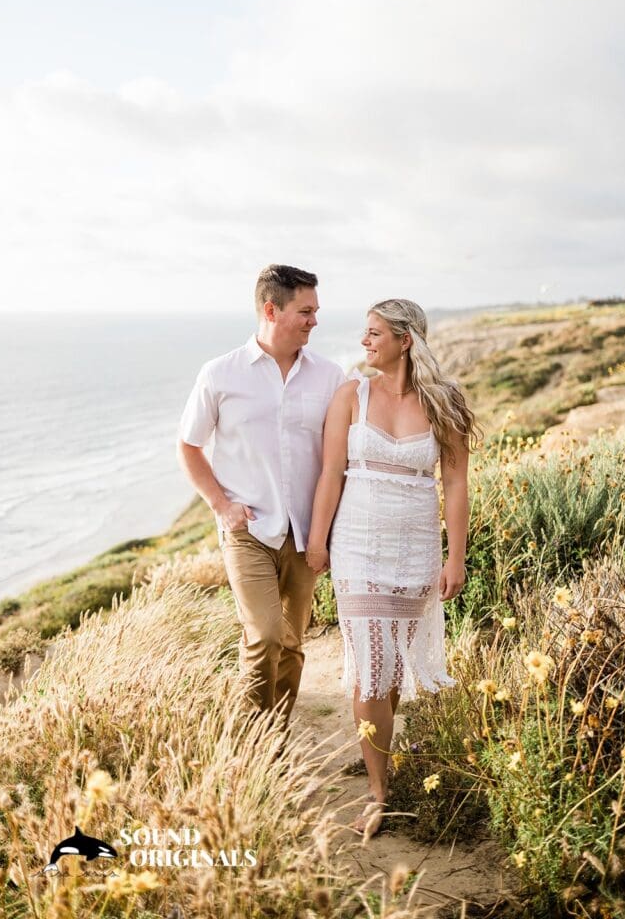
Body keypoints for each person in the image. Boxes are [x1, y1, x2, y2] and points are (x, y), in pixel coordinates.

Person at [306, 299, 481, 836]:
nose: (364, 342)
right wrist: (317, 541)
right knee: (371, 663)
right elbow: (331, 472)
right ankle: (379, 792)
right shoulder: (350, 395)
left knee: (392, 670)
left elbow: (454, 483)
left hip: (415, 547)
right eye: (364, 333)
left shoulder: (442, 402)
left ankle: (381, 758)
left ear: (405, 340)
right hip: (357, 545)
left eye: (374, 333)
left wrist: (456, 555)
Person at [177, 264, 346, 725]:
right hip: (248, 530)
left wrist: (327, 535)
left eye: (316, 311)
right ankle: (252, 739)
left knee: (292, 642)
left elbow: (338, 460)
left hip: (305, 534)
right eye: (305, 311)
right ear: (272, 310)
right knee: (265, 635)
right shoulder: (220, 374)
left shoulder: (330, 376)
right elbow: (188, 446)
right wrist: (221, 506)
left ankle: (277, 731)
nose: (314, 320)